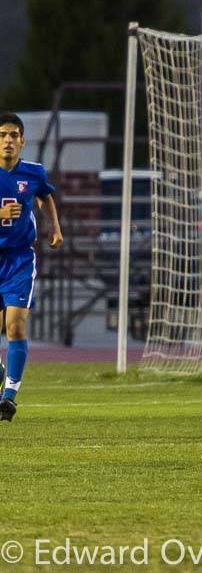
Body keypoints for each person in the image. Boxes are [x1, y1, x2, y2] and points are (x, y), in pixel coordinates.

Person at [0, 112, 63, 422]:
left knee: (15, 325)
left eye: (13, 135)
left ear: (22, 141)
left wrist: (55, 227)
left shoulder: (33, 173)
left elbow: (45, 196)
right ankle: (2, 372)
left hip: (20, 259)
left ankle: (9, 395)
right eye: (2, 135)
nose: (8, 141)